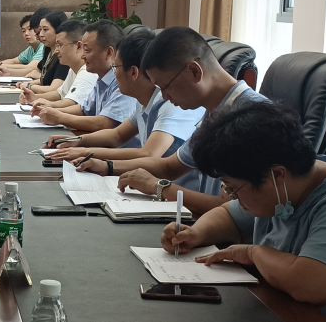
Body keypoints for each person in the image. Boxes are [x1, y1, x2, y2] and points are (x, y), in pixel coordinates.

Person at [162, 102, 326, 321]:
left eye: (234, 188)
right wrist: (196, 233)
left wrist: (253, 252)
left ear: (277, 175)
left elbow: (312, 286)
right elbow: (229, 215)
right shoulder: (287, 184)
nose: (232, 196)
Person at [77, 26, 269, 216]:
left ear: (194, 71)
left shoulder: (251, 117)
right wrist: (107, 166)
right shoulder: (213, 111)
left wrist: (159, 187)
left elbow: (232, 210)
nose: (164, 96)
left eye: (166, 86)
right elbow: (170, 166)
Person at [44, 30, 204, 191]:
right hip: (153, 187)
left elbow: (149, 154)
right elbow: (118, 135)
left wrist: (87, 153)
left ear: (134, 72)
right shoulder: (144, 99)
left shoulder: (172, 104)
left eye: (115, 67)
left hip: (178, 196)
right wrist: (78, 141)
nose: (114, 74)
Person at [34, 19, 137, 134]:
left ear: (109, 53)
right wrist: (51, 110)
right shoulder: (101, 78)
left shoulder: (123, 82)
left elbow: (104, 123)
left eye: (87, 50)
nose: (82, 56)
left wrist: (59, 117)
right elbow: (84, 109)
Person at [21, 19, 97, 108]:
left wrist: (47, 105)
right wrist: (34, 97)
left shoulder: (88, 72)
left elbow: (71, 103)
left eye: (60, 45)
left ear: (79, 46)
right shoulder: (73, 68)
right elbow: (60, 94)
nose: (56, 50)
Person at [15, 10, 71, 93]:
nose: (40, 35)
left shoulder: (64, 56)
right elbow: (44, 78)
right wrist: (29, 84)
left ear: (58, 31)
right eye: (40, 30)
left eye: (45, 29)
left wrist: (29, 86)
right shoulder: (47, 49)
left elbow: (55, 90)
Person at [0, 8, 51, 79]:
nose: (26, 34)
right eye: (23, 31)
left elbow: (32, 68)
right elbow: (36, 71)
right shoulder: (38, 48)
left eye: (45, 29)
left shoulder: (45, 47)